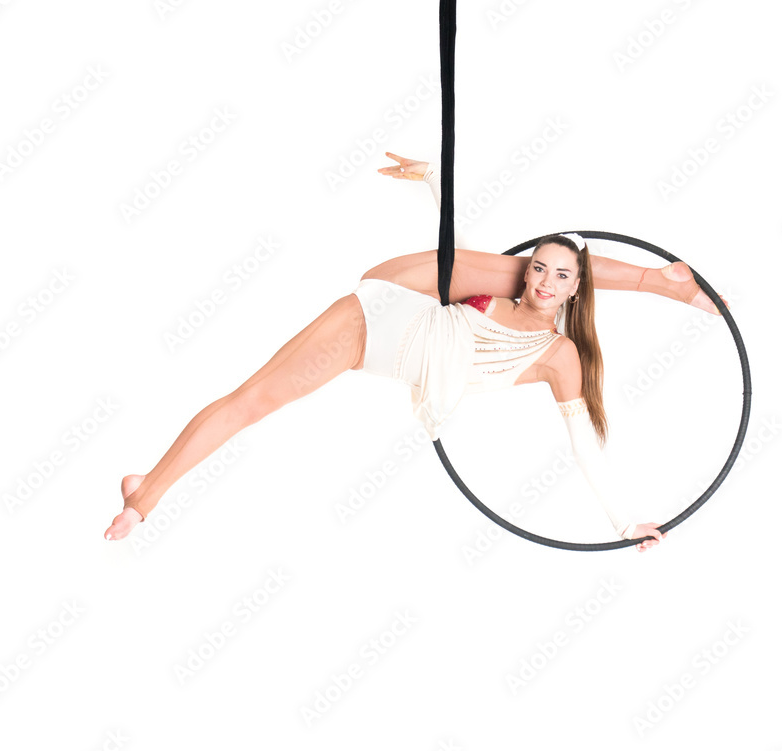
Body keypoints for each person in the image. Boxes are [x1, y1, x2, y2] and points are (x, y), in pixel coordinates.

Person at [104, 153, 725, 551]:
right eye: (540, 268)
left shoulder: (559, 355)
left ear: (575, 289)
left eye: (561, 277)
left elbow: (583, 445)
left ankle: (145, 482)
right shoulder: (504, 285)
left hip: (367, 344)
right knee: (251, 402)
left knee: (251, 404)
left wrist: (624, 525)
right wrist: (434, 180)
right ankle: (145, 504)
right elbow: (458, 256)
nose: (544, 281)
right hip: (390, 304)